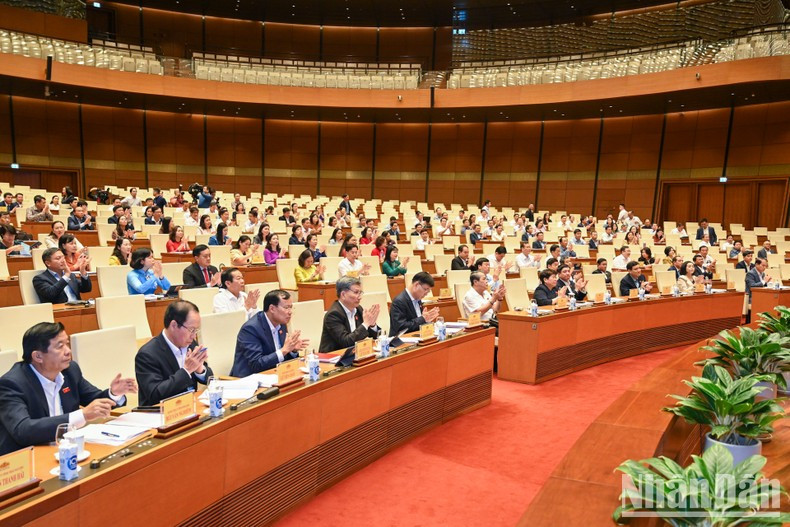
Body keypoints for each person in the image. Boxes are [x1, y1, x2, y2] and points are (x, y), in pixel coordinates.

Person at [0, 321, 136, 455]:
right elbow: (23, 430)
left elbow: (94, 401)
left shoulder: (70, 371)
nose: (68, 351)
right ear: (38, 356)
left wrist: (114, 393)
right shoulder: (12, 384)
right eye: (60, 346)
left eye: (67, 344)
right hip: (27, 458)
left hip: (65, 449)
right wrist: (82, 415)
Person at [135, 301, 212, 406]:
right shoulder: (147, 355)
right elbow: (155, 394)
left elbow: (209, 378)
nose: (194, 336)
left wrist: (200, 369)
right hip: (159, 415)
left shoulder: (190, 344)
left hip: (189, 408)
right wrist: (187, 371)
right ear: (174, 325)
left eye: (196, 330)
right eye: (191, 330)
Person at [231, 289, 308, 377]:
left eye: (291, 307)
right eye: (286, 307)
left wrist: (292, 349)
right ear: (272, 308)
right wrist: (284, 350)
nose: (290, 312)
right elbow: (256, 364)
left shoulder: (281, 324)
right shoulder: (251, 329)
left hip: (274, 374)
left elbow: (280, 356)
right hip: (249, 380)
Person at [319, 277, 380, 353]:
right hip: (334, 358)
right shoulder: (333, 315)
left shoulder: (358, 309)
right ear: (343, 294)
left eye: (360, 293)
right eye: (356, 292)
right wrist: (366, 324)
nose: (360, 297)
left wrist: (372, 325)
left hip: (354, 354)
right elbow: (346, 342)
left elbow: (375, 337)